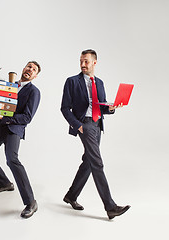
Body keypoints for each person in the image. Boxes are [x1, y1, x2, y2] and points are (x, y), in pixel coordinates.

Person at [60, 49, 130, 220]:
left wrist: (112, 107)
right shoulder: (72, 81)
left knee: (89, 162)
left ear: (94, 63)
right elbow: (64, 108)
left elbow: (102, 105)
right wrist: (78, 126)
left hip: (98, 124)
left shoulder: (99, 82)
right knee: (97, 163)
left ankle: (71, 195)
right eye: (81, 61)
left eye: (86, 61)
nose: (83, 64)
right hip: (85, 124)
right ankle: (110, 207)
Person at [0, 61, 41, 219]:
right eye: (28, 66)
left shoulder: (34, 92)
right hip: (0, 125)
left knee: (12, 159)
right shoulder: (9, 85)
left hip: (14, 128)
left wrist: (6, 116)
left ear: (36, 75)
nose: (29, 70)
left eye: (33, 69)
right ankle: (5, 183)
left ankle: (31, 202)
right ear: (23, 68)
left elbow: (27, 117)